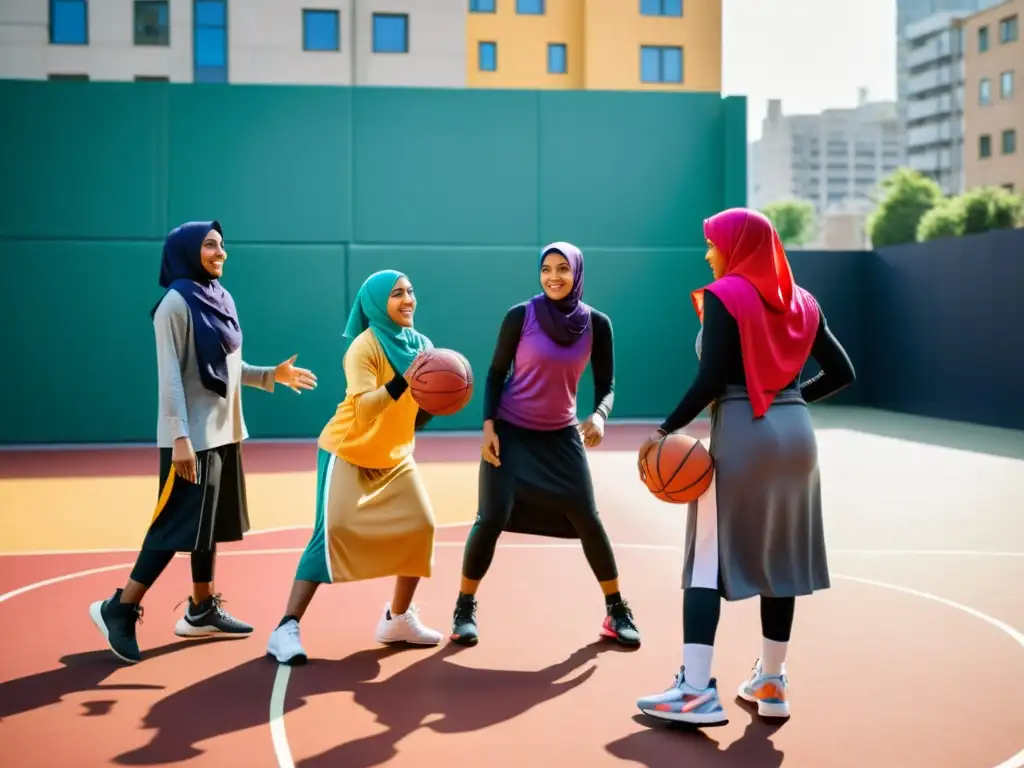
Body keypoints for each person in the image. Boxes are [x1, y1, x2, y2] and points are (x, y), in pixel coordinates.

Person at [634, 208, 855, 726]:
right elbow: (843, 372)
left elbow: (711, 379)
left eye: (713, 243)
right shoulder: (802, 301)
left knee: (706, 561)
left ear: (735, 248)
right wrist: (794, 402)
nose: (708, 253)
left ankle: (693, 690)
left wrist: (663, 431)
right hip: (798, 437)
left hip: (742, 431)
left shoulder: (724, 296)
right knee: (780, 561)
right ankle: (772, 681)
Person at [89, 220, 318, 665]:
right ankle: (119, 607)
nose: (221, 252)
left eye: (222, 245)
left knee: (204, 527)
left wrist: (271, 374)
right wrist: (179, 437)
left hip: (223, 433)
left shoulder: (219, 298)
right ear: (188, 250)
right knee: (174, 526)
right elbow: (170, 375)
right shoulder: (174, 303)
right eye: (211, 245)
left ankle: (200, 608)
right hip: (189, 438)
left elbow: (228, 367)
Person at [449, 242, 641, 648]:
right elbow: (495, 374)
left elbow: (607, 386)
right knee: (492, 516)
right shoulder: (521, 316)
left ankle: (616, 609)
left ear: (577, 273)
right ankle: (465, 606)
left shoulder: (597, 324)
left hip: (561, 437)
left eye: (562, 269)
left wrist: (600, 416)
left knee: (588, 517)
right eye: (546, 269)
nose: (554, 277)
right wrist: (488, 428)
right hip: (512, 431)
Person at [266, 270, 444, 665]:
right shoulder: (363, 348)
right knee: (329, 534)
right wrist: (405, 381)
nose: (408, 300)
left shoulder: (423, 346)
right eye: (397, 294)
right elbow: (364, 410)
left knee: (422, 527)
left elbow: (418, 411)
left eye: (411, 292)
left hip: (395, 456)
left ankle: (397, 619)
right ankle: (285, 627)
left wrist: (440, 398)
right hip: (347, 451)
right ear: (377, 304)